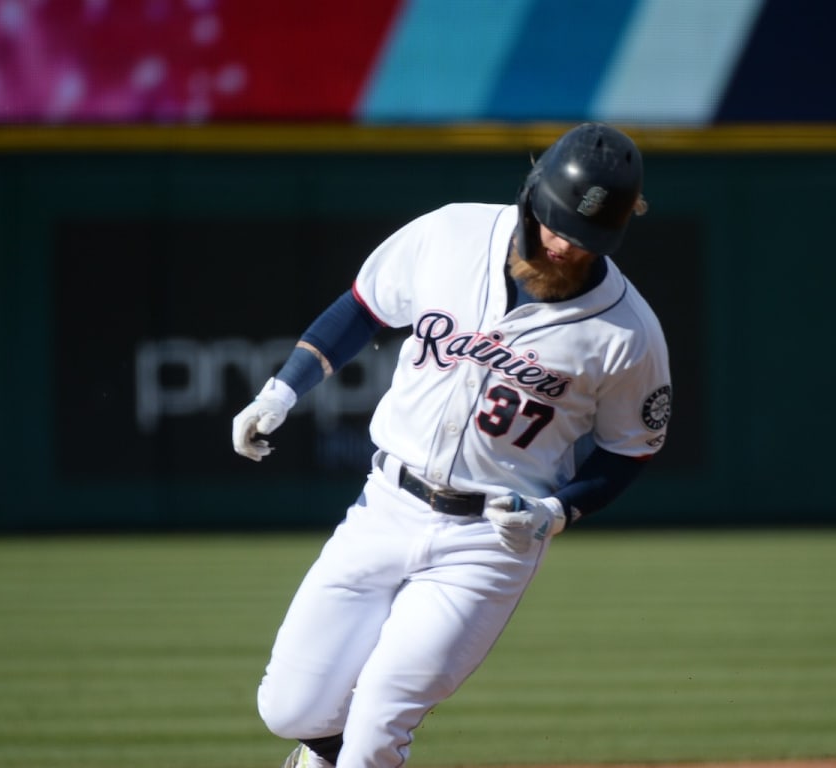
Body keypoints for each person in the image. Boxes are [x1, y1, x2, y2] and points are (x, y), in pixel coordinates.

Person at [230, 122, 672, 768]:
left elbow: (631, 446)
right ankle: (318, 752)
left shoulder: (627, 333)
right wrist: (282, 390)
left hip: (487, 544)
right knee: (288, 709)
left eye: (582, 239)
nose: (562, 246)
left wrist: (561, 510)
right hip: (386, 504)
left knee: (378, 723)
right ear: (531, 196)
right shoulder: (451, 234)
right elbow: (364, 307)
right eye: (554, 224)